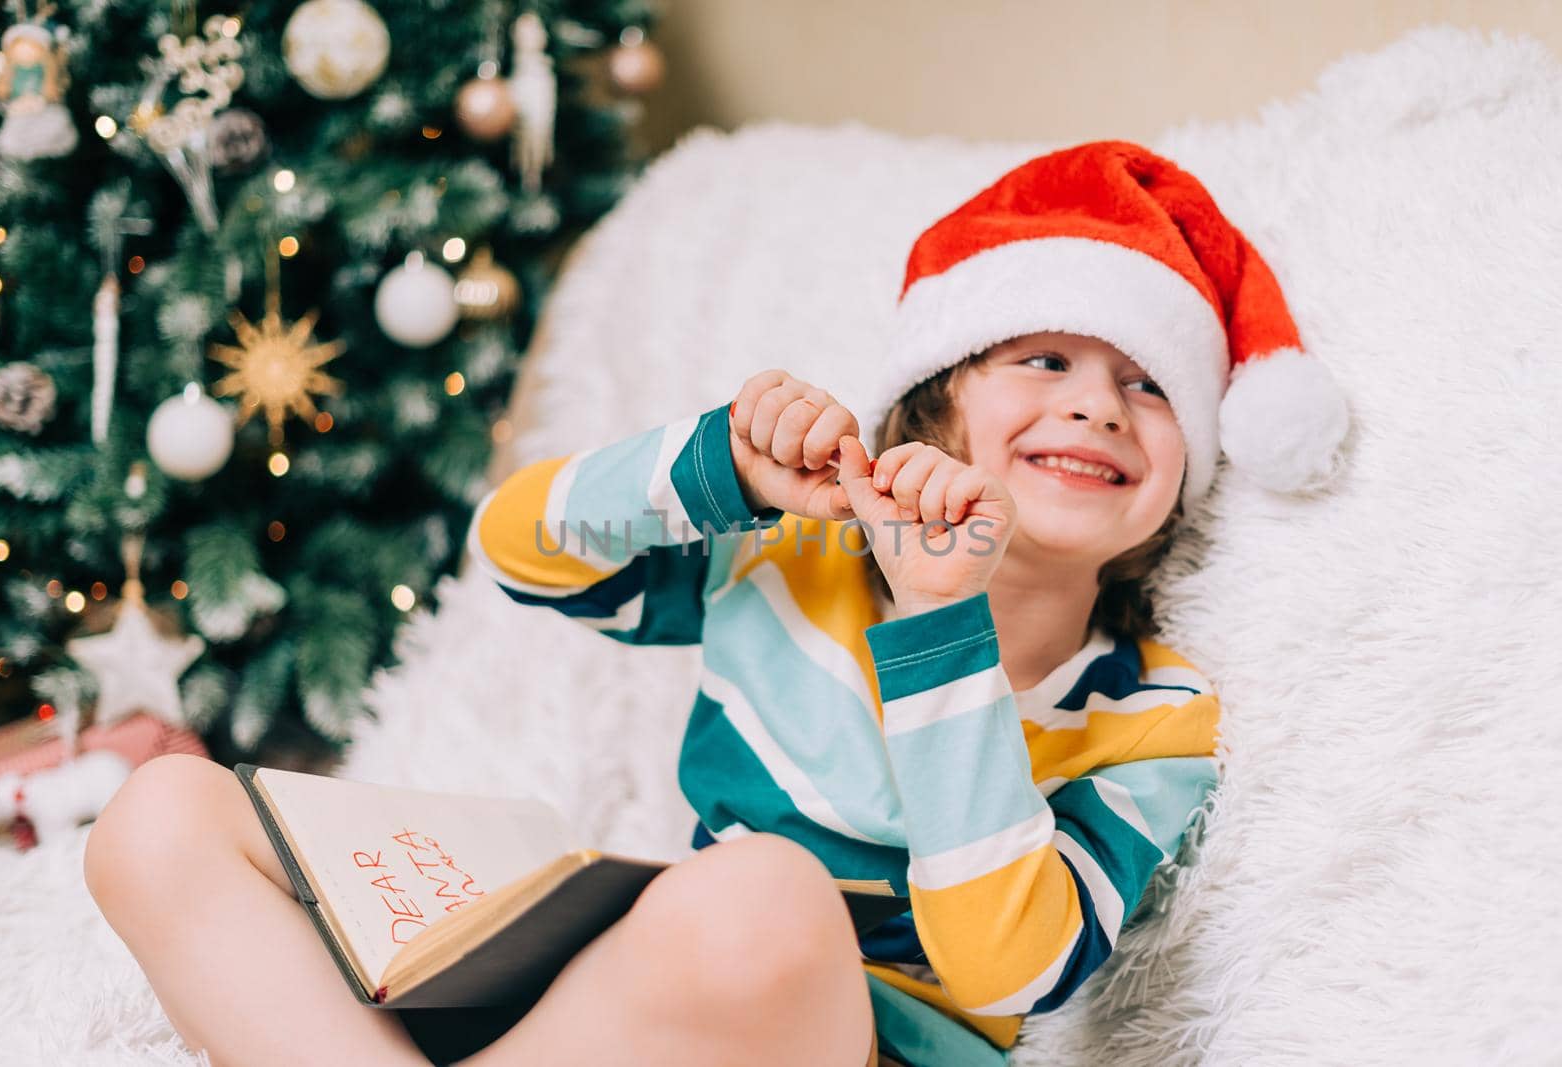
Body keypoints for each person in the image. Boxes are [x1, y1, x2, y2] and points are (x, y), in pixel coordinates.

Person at [81, 139, 1349, 1067]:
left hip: (847, 1035)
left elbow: (1007, 965)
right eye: (1045, 358)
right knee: (162, 813)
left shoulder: (1156, 714)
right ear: (934, 404)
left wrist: (938, 625)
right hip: (619, 1007)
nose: (1094, 405)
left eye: (1148, 386)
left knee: (762, 890)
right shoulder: (792, 561)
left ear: (1182, 473)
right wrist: (715, 473)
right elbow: (524, 548)